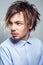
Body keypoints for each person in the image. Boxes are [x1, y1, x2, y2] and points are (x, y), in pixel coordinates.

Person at [0, 1, 43, 65]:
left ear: (30, 24)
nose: (12, 28)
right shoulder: (4, 48)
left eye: (18, 23)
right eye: (11, 23)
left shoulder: (38, 44)